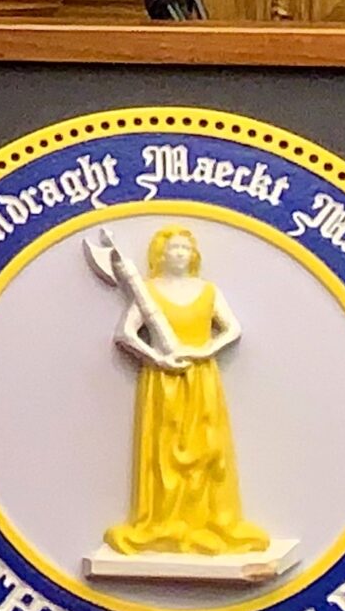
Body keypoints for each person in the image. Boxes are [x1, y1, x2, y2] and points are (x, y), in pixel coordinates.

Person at [105, 226, 269, 555]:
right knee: (165, 455)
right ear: (160, 255)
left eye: (184, 248)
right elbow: (126, 333)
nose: (179, 254)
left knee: (207, 451)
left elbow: (232, 328)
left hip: (202, 379)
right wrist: (158, 358)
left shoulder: (208, 291)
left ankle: (208, 521)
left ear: (193, 255)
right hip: (163, 381)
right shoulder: (147, 291)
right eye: (173, 248)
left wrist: (206, 350)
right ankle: (166, 522)